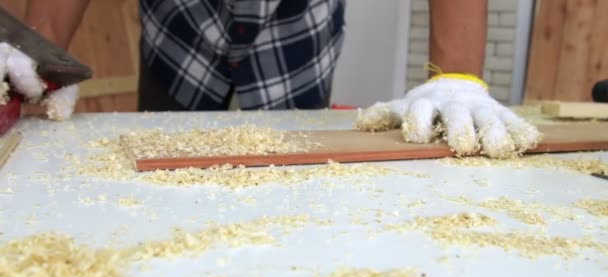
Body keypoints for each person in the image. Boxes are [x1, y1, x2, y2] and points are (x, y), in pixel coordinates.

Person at [10, 0, 540, 157]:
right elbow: (40, 45)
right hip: (182, 33)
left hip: (292, 34)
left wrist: (457, 76)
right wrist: (37, 48)